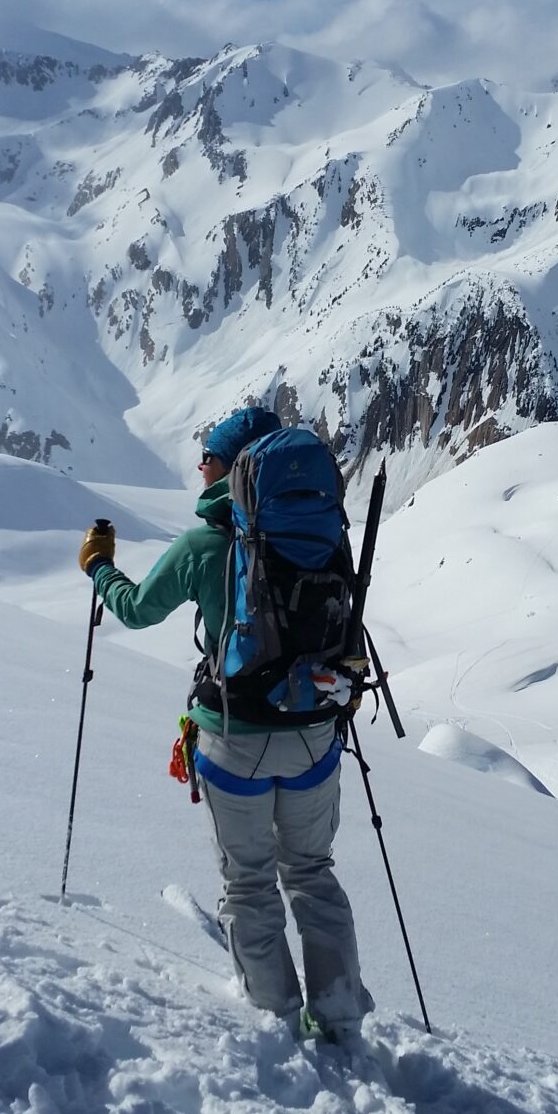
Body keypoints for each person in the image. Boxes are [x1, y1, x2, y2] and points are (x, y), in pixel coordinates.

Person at [78, 407, 372, 1040]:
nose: (201, 465)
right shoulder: (324, 534)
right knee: (312, 873)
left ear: (236, 466)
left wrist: (99, 566)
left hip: (233, 737)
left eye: (209, 456)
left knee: (249, 883)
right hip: (315, 734)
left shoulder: (205, 545)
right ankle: (340, 1017)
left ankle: (276, 1018)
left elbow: (135, 610)